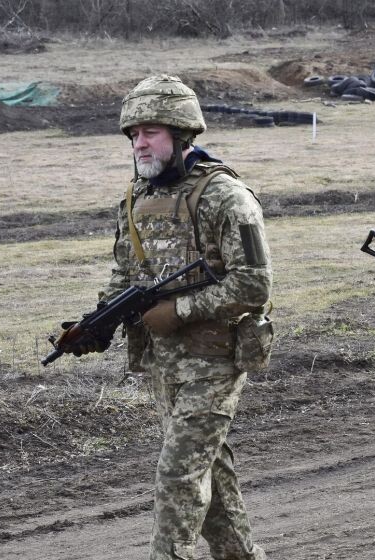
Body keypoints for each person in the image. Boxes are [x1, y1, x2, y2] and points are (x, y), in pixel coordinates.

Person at [100, 75, 272, 559]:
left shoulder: (226, 196)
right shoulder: (136, 196)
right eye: (133, 134)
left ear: (181, 133)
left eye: (150, 132)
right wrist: (95, 322)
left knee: (179, 472)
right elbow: (126, 272)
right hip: (164, 363)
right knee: (207, 466)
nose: (139, 142)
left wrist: (179, 310)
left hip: (216, 356)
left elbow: (255, 284)